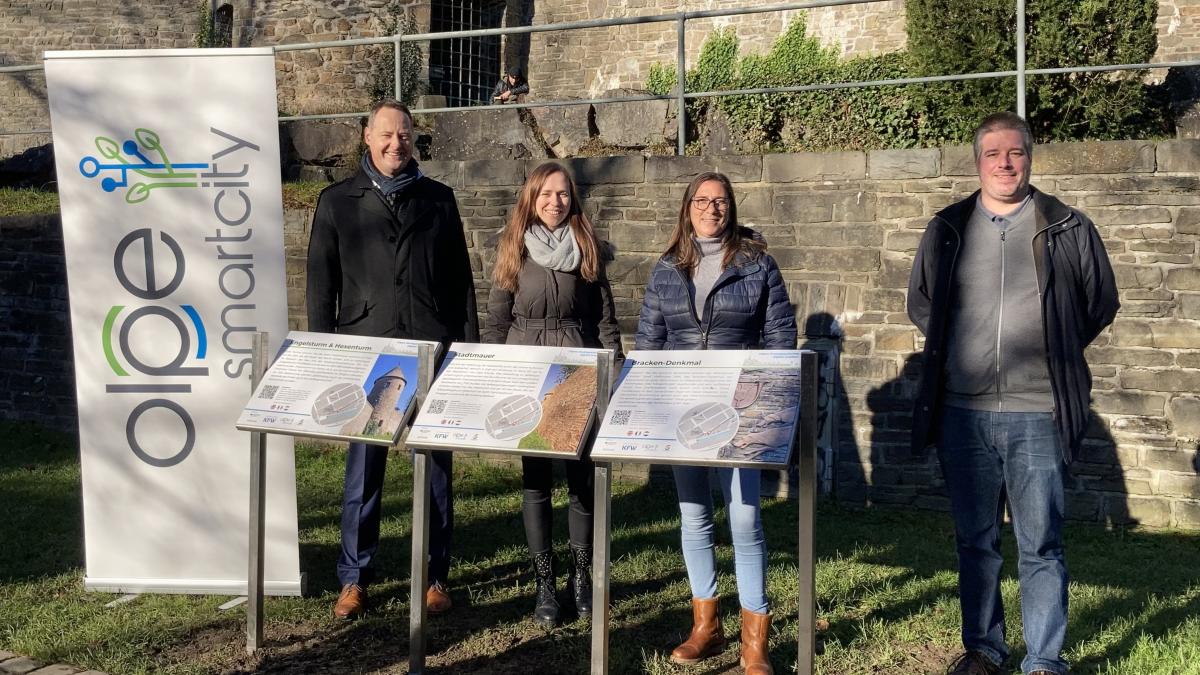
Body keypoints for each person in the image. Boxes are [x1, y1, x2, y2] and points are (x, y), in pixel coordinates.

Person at [907, 112, 1119, 675]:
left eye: (1016, 152)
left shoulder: (1067, 226)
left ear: (1030, 157)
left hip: (1038, 411)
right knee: (976, 542)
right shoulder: (947, 228)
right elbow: (922, 303)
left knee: (1041, 543)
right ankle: (984, 649)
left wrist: (1057, 347)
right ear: (977, 161)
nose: (1005, 163)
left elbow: (1099, 302)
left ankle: (1044, 659)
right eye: (993, 153)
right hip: (963, 412)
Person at [306, 99, 479, 620]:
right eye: (385, 134)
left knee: (435, 471)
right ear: (367, 136)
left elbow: (460, 282)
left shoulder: (438, 199)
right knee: (363, 472)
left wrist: (466, 353)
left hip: (431, 349)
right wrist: (326, 354)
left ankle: (435, 575)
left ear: (413, 138)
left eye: (403, 135)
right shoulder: (337, 201)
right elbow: (321, 285)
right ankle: (354, 578)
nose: (394, 144)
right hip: (367, 351)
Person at [635, 172, 796, 675]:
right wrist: (648, 400)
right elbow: (650, 341)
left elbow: (780, 336)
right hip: (683, 409)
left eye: (721, 201)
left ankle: (755, 641)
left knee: (745, 520)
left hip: (740, 409)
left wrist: (766, 396)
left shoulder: (757, 263)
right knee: (694, 516)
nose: (712, 209)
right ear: (688, 208)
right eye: (702, 200)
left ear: (732, 208)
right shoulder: (667, 267)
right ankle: (705, 625)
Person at [482, 162, 623, 627]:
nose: (554, 202)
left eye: (562, 194)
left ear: (572, 199)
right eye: (545, 193)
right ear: (532, 197)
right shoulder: (513, 246)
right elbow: (497, 321)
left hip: (576, 370)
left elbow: (605, 320)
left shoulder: (588, 247)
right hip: (527, 370)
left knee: (581, 479)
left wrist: (613, 373)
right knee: (536, 479)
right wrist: (494, 375)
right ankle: (544, 583)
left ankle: (581, 577)